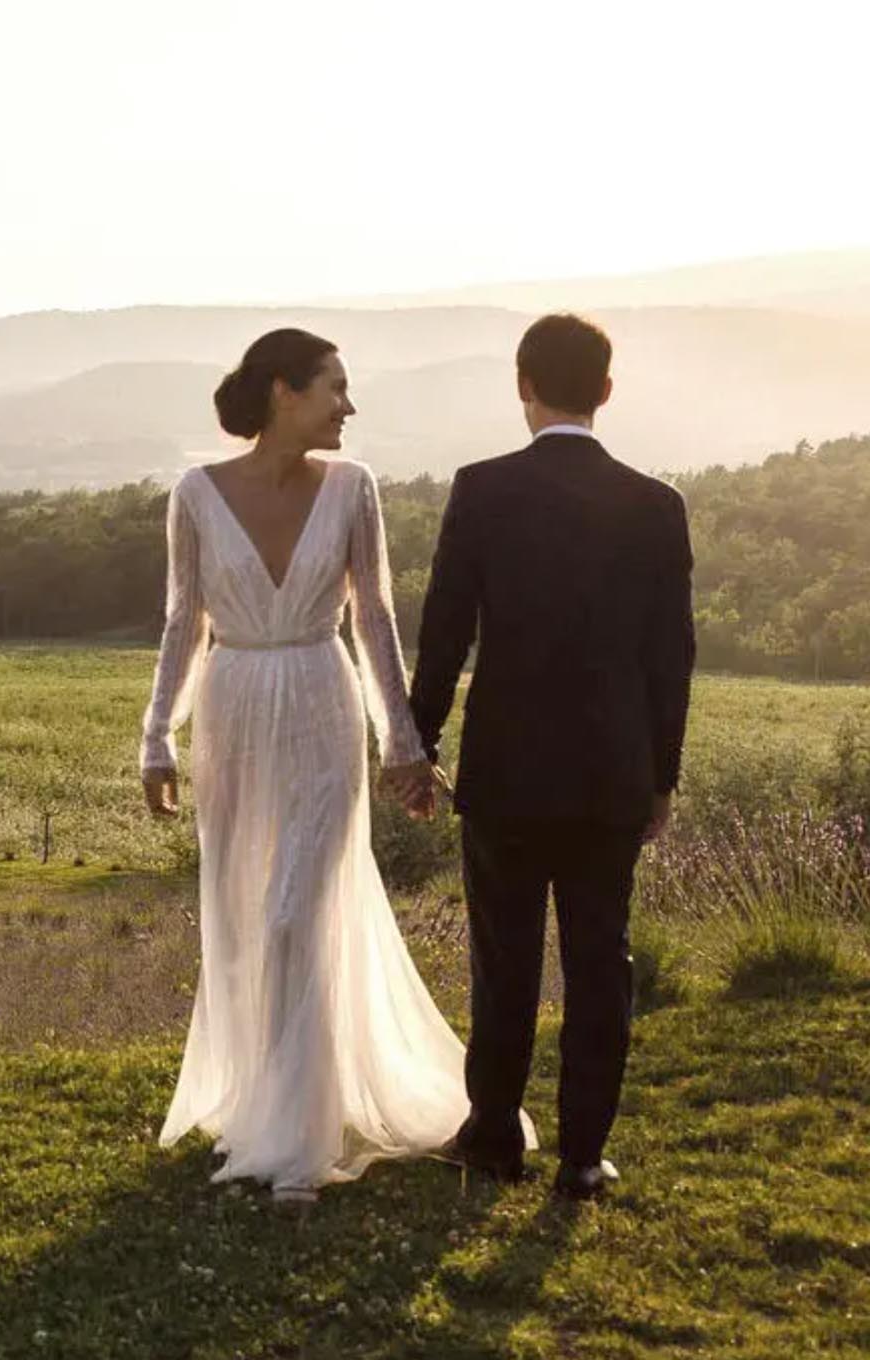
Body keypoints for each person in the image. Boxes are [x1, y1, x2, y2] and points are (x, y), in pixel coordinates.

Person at [139, 328, 495, 1204]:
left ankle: (297, 1144)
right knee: (245, 908)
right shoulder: (193, 492)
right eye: (335, 387)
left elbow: (373, 620)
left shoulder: (353, 488)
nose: (349, 405)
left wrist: (404, 747)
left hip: (319, 701)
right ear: (280, 393)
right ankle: (261, 1097)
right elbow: (184, 621)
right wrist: (157, 734)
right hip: (232, 709)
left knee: (300, 906)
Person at [409, 314, 696, 1203]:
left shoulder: (483, 490)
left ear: (521, 385)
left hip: (505, 772)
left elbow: (446, 632)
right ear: (606, 392)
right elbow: (671, 654)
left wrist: (419, 745)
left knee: (506, 960)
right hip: (612, 772)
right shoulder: (656, 505)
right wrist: (661, 776)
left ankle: (493, 1135)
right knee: (600, 959)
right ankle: (582, 1154)